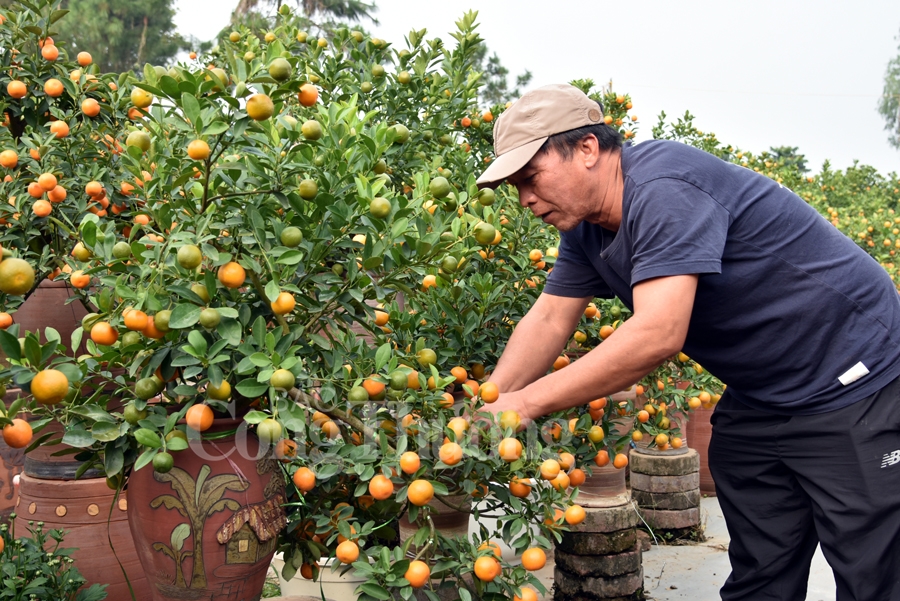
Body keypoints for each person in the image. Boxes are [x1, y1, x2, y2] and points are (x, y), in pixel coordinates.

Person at [476, 83, 900, 601]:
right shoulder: (586, 232)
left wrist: (525, 405)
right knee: (761, 570)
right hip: (762, 392)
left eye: (531, 177)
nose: (525, 199)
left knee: (874, 572)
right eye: (516, 186)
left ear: (587, 148)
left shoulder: (663, 185)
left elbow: (658, 333)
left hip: (854, 376)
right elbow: (547, 320)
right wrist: (488, 404)